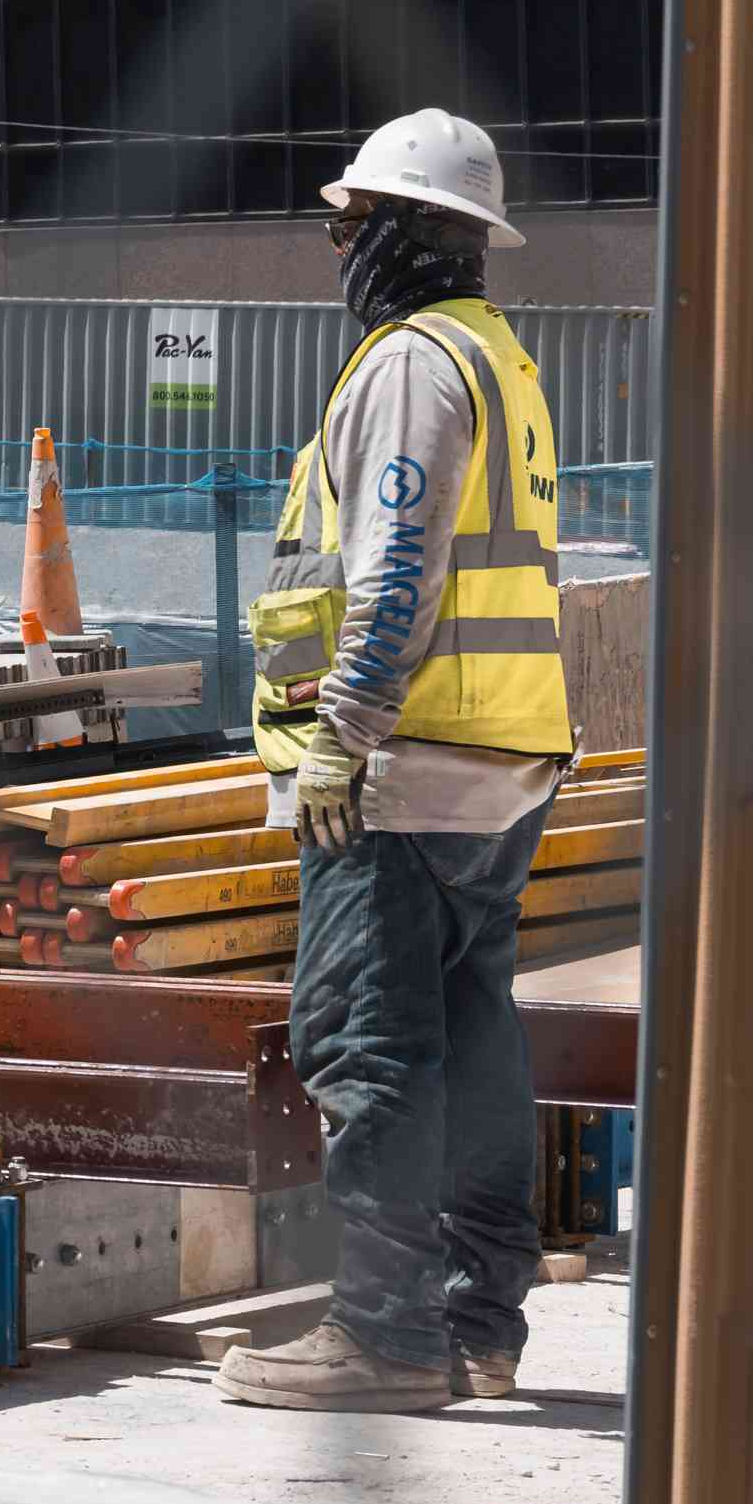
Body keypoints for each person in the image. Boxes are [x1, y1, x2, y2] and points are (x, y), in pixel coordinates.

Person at [220, 107, 575, 1415]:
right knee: (475, 1048)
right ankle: (482, 1324)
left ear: (398, 232)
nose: (340, 242)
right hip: (497, 761)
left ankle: (384, 1337)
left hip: (403, 772)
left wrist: (340, 741)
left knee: (366, 1042)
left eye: (350, 220)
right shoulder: (498, 357)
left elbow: (393, 577)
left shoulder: (412, 363)